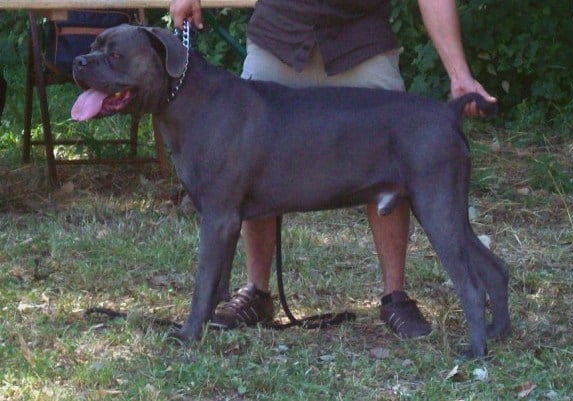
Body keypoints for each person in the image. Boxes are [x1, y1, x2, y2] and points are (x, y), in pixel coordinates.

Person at [170, 0, 496, 339]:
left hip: (361, 42)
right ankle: (256, 293)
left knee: (395, 155)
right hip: (279, 36)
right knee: (247, 157)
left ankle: (395, 296)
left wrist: (459, 74)